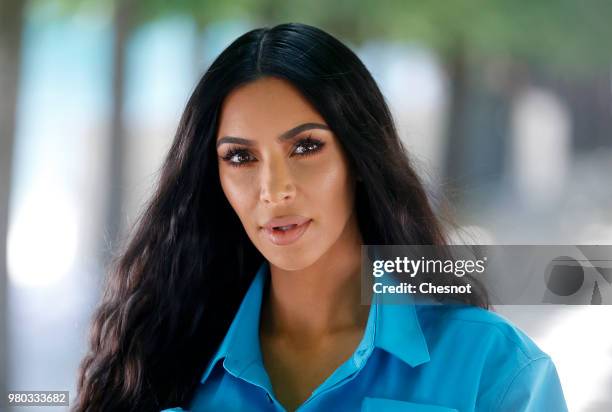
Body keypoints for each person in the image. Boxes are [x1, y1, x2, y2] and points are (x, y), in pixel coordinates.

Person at [73, 23, 568, 412]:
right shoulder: (157, 357)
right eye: (241, 158)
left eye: (306, 147)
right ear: (214, 178)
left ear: (359, 158)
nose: (275, 190)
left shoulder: (493, 367)